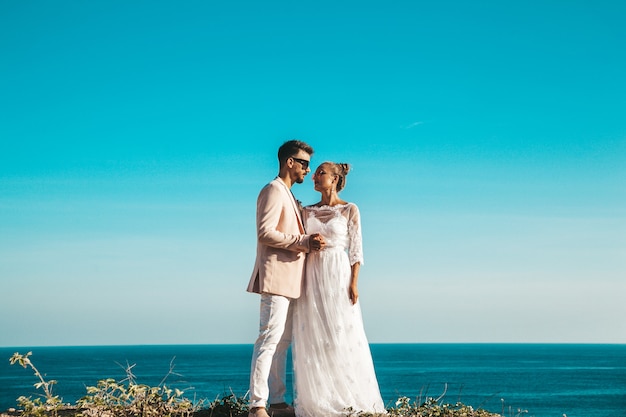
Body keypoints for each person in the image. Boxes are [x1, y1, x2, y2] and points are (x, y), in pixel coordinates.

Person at [292, 162, 386, 417]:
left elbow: (356, 250)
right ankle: (318, 398)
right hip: (311, 273)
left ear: (334, 179)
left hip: (338, 271)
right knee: (313, 333)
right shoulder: (305, 210)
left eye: (320, 172)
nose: (314, 176)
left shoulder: (349, 209)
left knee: (340, 332)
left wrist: (354, 283)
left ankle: (348, 397)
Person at [247, 140, 326, 417]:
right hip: (277, 276)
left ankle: (278, 402)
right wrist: (303, 241)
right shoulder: (273, 190)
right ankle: (257, 405)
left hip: (293, 281)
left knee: (282, 343)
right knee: (268, 339)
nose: (308, 169)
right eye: (304, 163)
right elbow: (265, 232)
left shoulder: (290, 196)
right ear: (289, 162)